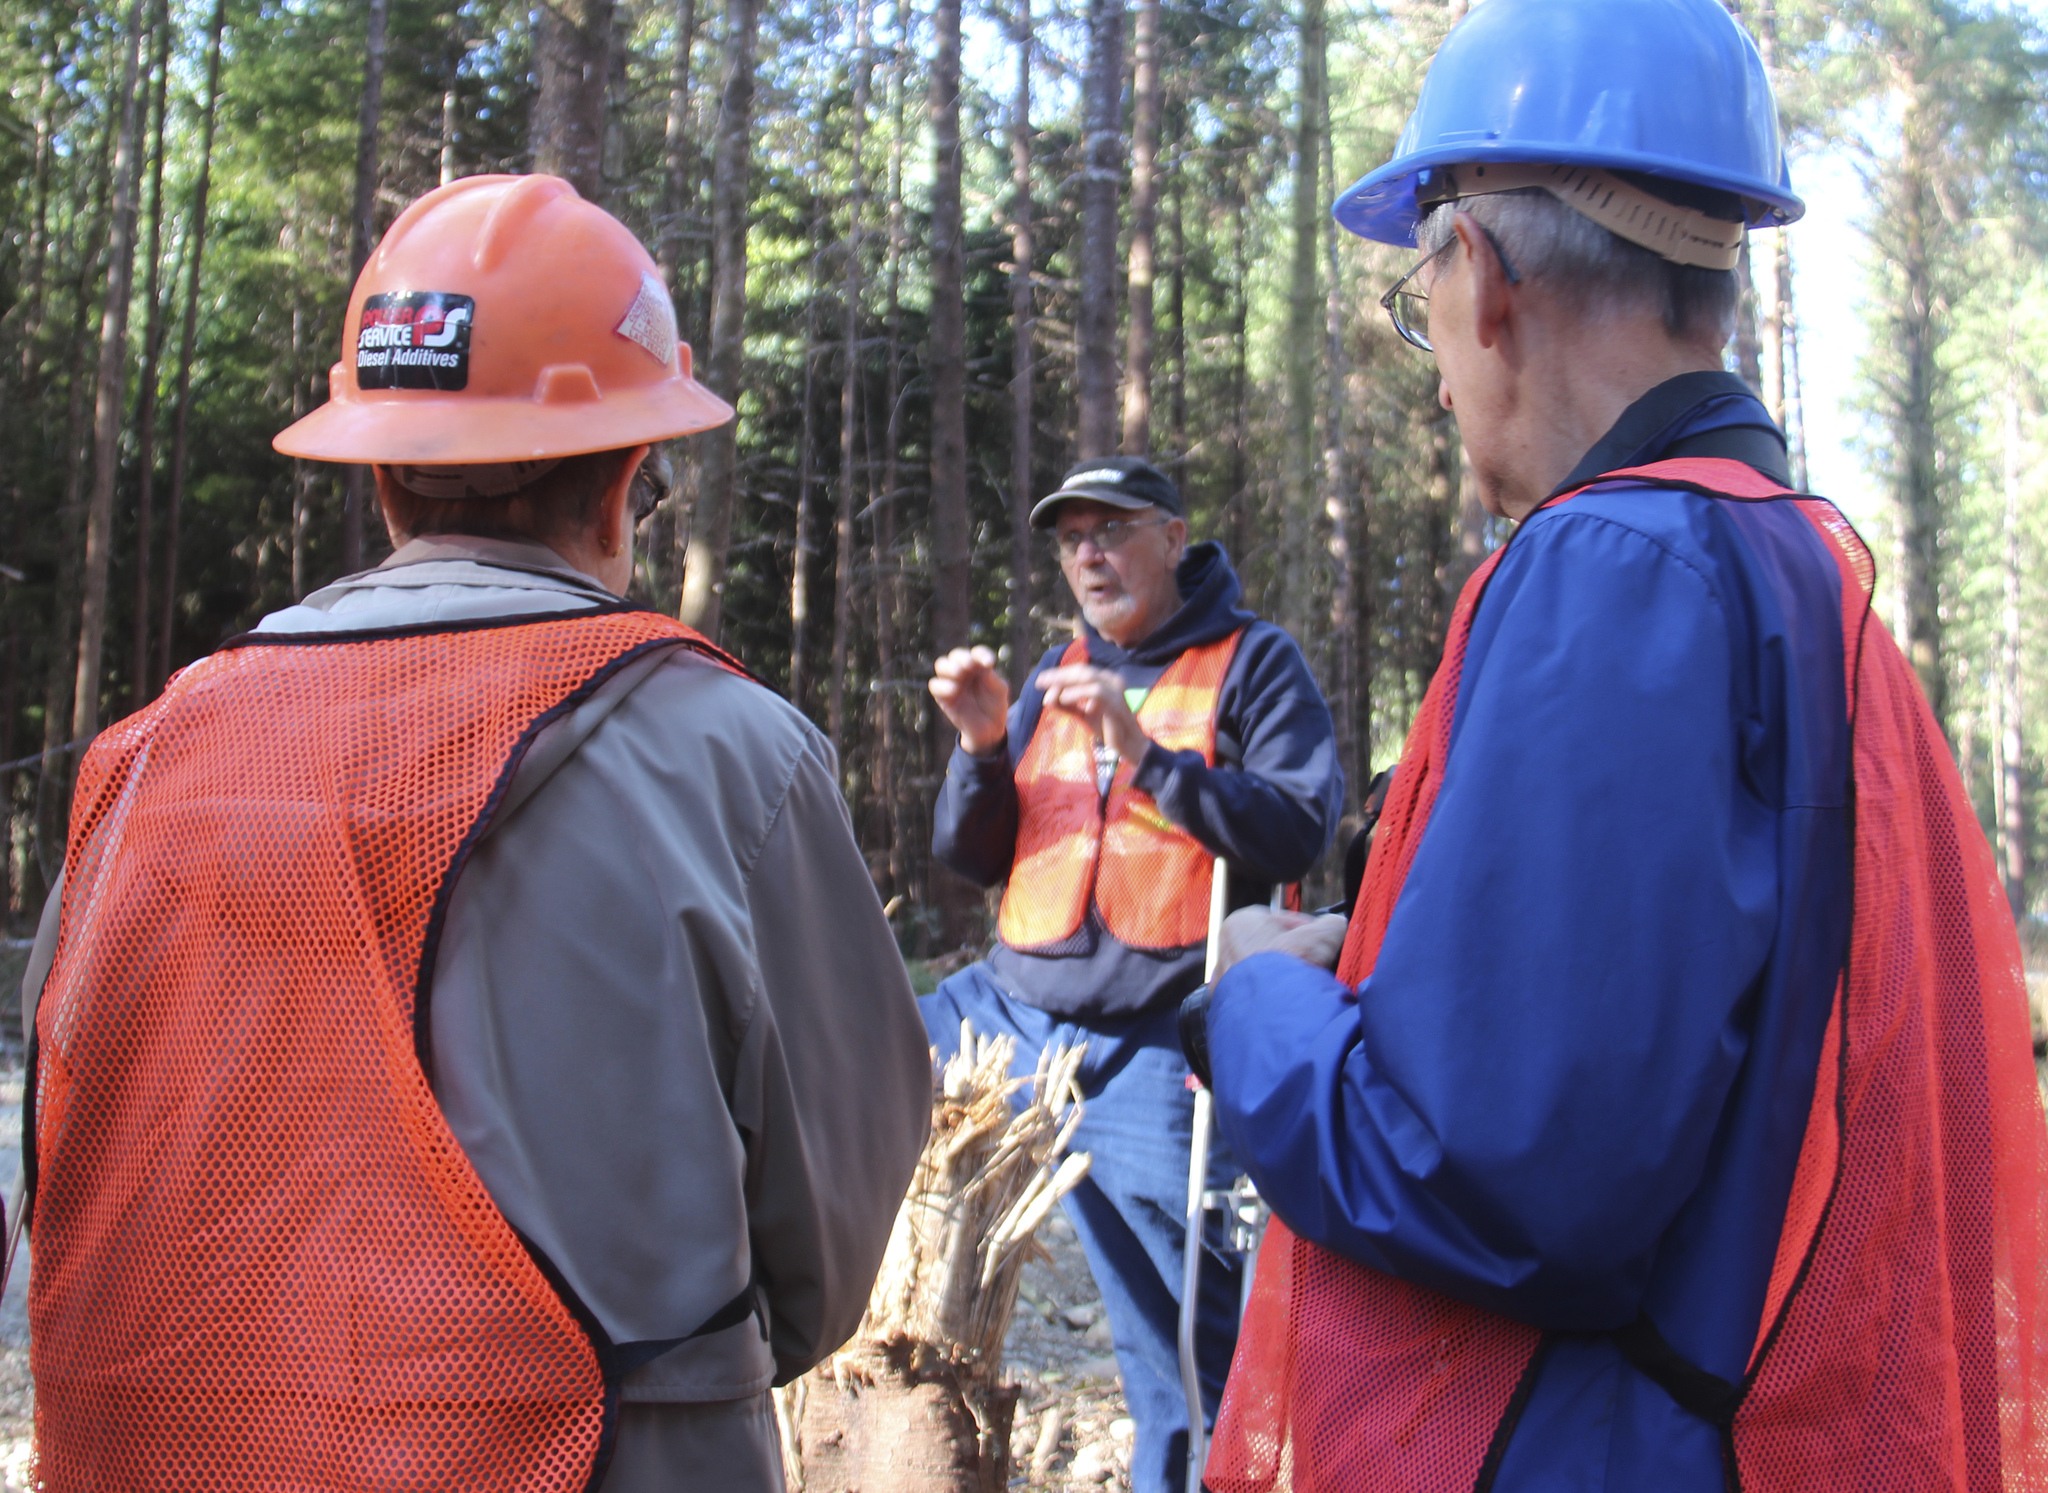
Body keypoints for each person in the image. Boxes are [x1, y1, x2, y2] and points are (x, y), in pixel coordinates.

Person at [1181, 3, 2048, 1490]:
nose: (1436, 367)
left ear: (1486, 274)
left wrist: (1256, 1000)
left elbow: (1502, 1181)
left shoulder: (1622, 570)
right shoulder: (1783, 558)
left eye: (1420, 306)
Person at [18, 173, 931, 1493]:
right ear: (630, 471)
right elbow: (826, 1242)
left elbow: (61, 1174)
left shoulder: (148, 753)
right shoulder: (731, 755)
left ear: (377, 468)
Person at [923, 455, 1345, 1493]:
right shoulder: (1048, 672)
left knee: (1183, 1342)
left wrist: (1146, 753)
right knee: (852, 1065)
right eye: (1071, 538)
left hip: (1157, 1044)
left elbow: (1297, 825)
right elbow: (973, 857)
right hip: (1013, 1016)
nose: (1088, 552)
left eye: (1110, 529)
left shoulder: (1252, 661)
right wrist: (982, 746)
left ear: (1171, 535)